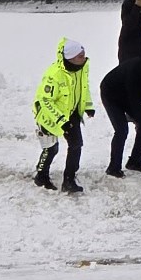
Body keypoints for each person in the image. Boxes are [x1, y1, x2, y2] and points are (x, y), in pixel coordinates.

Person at [32, 37, 94, 194]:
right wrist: (60, 120)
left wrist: (88, 105)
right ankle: (41, 176)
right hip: (50, 116)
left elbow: (83, 87)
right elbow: (45, 101)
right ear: (70, 58)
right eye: (81, 56)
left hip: (71, 113)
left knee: (76, 145)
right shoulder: (54, 75)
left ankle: (69, 179)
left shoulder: (82, 68)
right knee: (51, 149)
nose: (84, 58)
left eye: (84, 54)